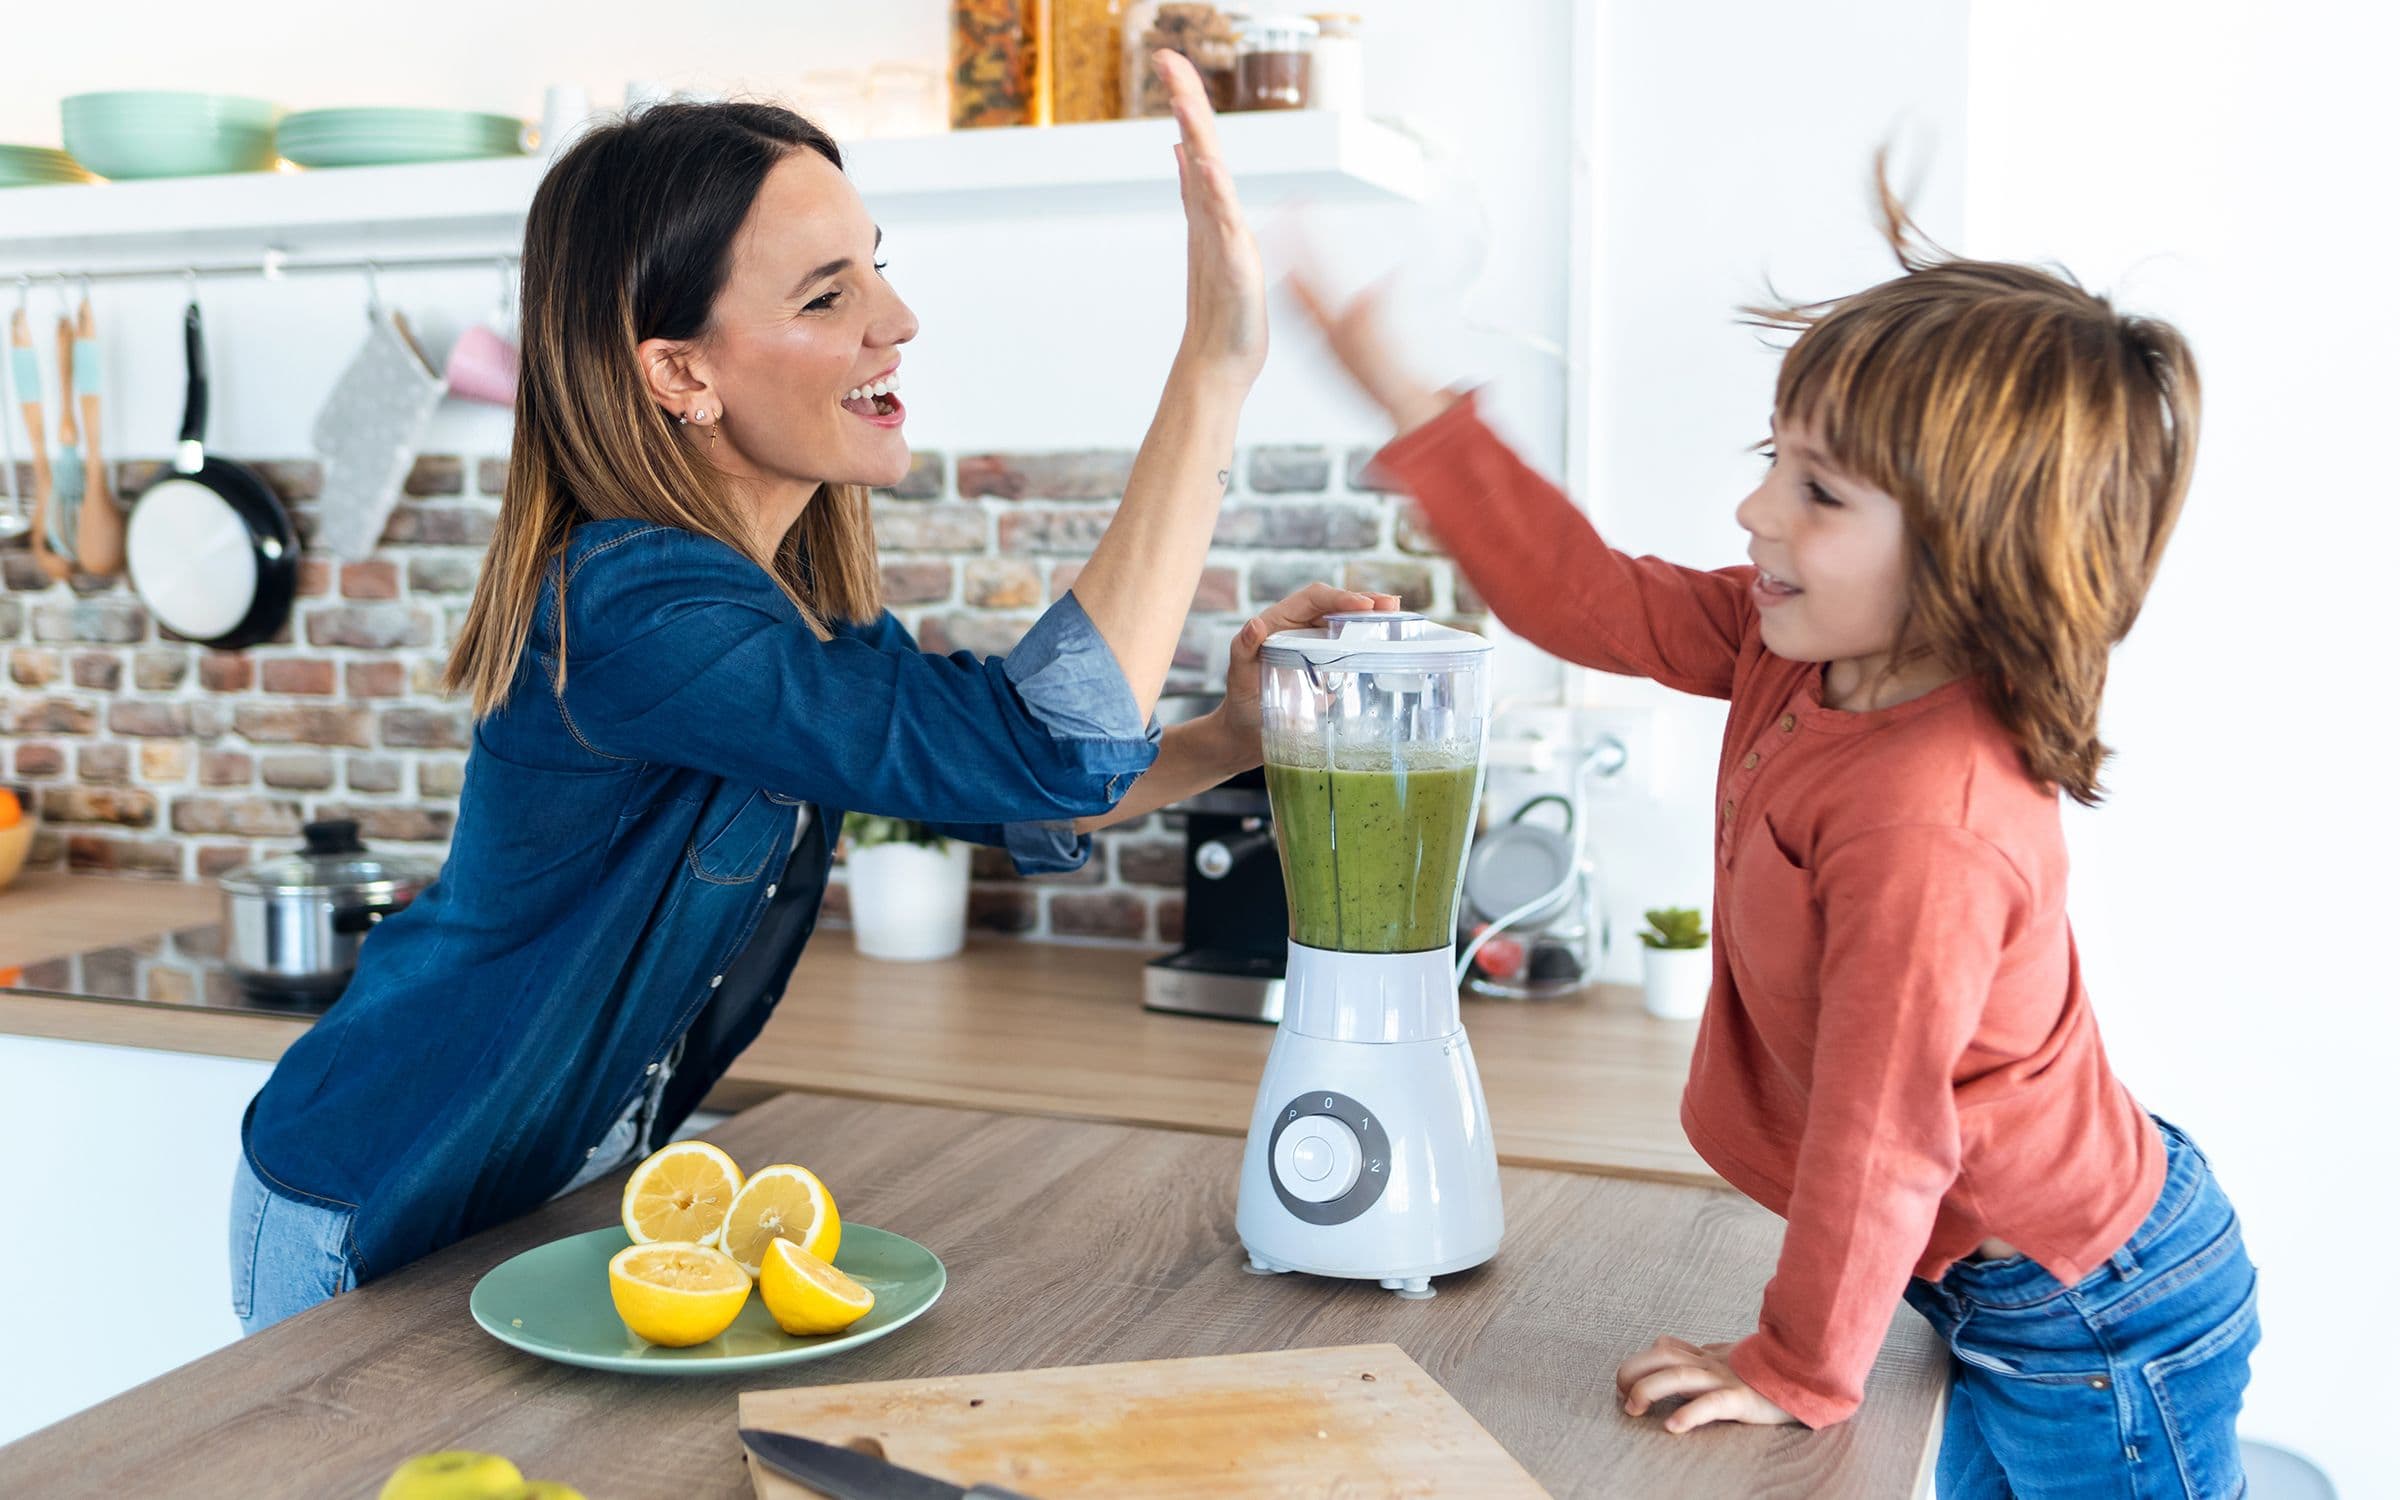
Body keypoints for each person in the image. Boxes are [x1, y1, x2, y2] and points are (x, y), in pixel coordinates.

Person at [229, 52, 1394, 1332]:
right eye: (829, 294)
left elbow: (1001, 787)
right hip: (388, 1194)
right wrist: (1215, 368)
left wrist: (1231, 737)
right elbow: (1045, 751)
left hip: (550, 1189)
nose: (895, 320)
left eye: (880, 267)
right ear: (679, 372)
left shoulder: (783, 607)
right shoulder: (642, 608)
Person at [1291, 173, 2260, 1498]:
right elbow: (1594, 600)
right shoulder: (1792, 643)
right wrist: (1415, 409)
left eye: (1820, 491)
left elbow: (1882, 1131)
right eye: (1774, 464)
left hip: (2086, 1311)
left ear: (1973, 549)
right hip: (1993, 1272)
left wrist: (1795, 1365)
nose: (1758, 514)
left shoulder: (1931, 822)